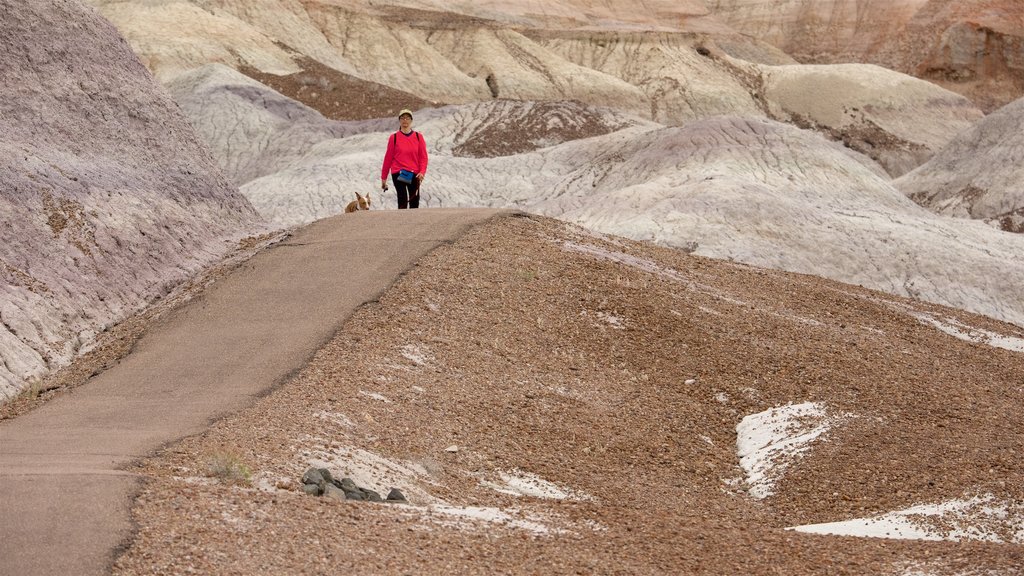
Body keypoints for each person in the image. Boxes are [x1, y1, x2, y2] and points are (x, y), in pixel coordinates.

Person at [380, 109, 428, 209]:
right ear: (399, 120)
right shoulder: (394, 138)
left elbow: (423, 157)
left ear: (411, 120)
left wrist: (422, 172)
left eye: (407, 118)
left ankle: (413, 223)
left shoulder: (418, 137)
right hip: (399, 172)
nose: (405, 120)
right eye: (402, 118)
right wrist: (384, 178)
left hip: (414, 173)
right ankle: (402, 223)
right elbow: (388, 158)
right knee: (402, 199)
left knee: (414, 201)